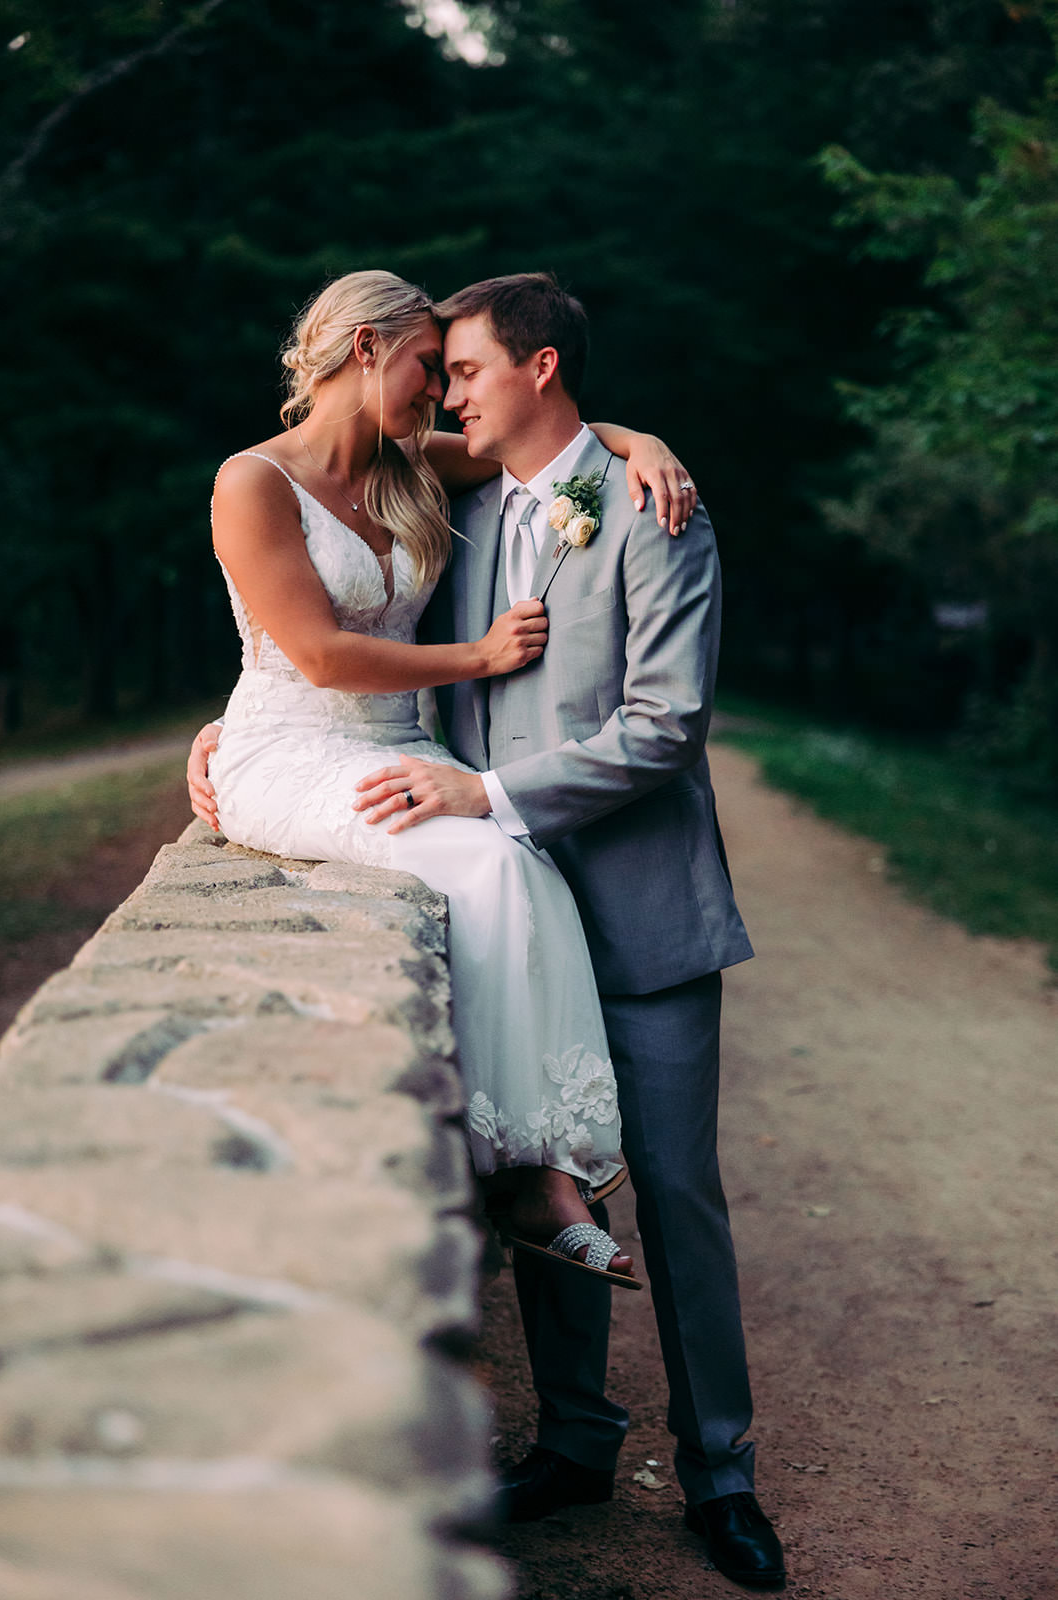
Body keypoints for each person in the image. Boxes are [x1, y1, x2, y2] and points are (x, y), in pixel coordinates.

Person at [349, 273, 787, 1589]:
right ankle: (576, 1440)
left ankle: (719, 1475)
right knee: (537, 1176)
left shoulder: (657, 515)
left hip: (644, 914)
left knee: (671, 1191)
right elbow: (354, 645)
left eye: (469, 370)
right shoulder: (469, 512)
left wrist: (485, 793)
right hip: (510, 920)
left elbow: (663, 726)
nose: (449, 392)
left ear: (538, 368)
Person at [188, 268, 698, 1289]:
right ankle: (520, 1175)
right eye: (430, 366)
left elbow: (557, 446)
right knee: (482, 860)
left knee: (517, 863)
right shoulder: (252, 481)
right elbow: (322, 656)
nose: (439, 392)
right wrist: (477, 656)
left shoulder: (409, 464)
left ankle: (538, 1166)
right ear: (367, 348)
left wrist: (647, 445)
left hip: (393, 744)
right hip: (289, 747)